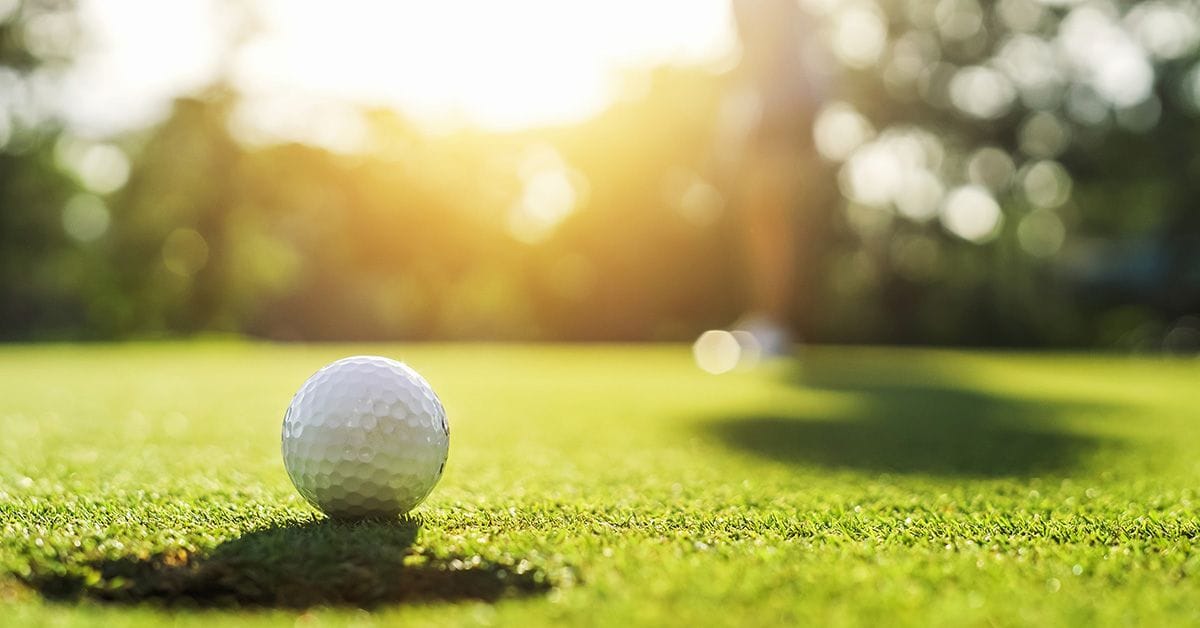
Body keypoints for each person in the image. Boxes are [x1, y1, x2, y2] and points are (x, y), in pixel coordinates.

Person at [712, 0, 831, 357]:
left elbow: (764, 52)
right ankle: (767, 322)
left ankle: (773, 327)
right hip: (776, 112)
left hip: (785, 112)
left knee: (771, 217)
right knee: (764, 219)